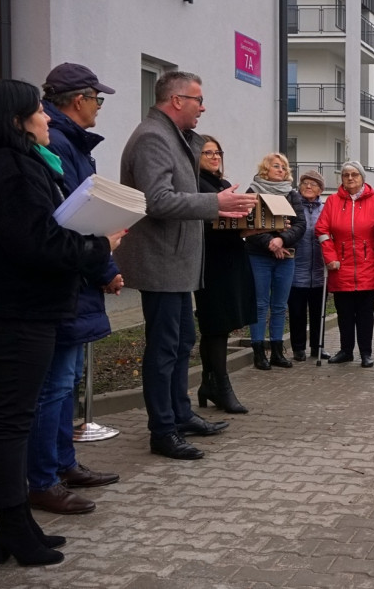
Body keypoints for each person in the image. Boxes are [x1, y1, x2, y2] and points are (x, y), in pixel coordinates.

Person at [0, 79, 123, 565]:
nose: (48, 118)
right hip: (10, 310)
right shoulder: (7, 170)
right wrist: (100, 246)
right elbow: (39, 245)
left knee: (15, 417)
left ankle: (18, 521)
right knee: (9, 421)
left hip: (17, 307)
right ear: (15, 121)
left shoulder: (16, 163)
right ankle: (10, 525)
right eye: (38, 112)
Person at [115, 70, 253, 461]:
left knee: (181, 343)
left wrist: (216, 200)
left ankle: (180, 414)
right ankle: (163, 430)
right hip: (161, 262)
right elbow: (156, 200)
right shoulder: (153, 138)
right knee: (163, 348)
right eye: (197, 100)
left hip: (177, 262)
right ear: (176, 100)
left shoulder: (173, 138)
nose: (202, 107)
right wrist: (216, 204)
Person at [26, 64, 121, 517]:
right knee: (55, 385)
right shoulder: (58, 143)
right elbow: (75, 219)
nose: (99, 106)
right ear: (77, 99)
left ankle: (62, 463)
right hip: (67, 279)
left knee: (64, 383)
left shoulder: (66, 140)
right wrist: (105, 265)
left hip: (76, 277)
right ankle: (44, 478)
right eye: (97, 99)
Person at [193, 136, 251, 414]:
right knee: (214, 326)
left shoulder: (224, 185)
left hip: (231, 259)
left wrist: (255, 228)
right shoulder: (196, 185)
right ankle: (220, 385)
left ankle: (208, 383)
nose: (215, 157)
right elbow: (203, 225)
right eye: (207, 153)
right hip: (210, 263)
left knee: (222, 327)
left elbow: (233, 224)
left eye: (218, 152)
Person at [315, 161, 374, 368]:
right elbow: (322, 230)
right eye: (346, 175)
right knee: (344, 313)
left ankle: (366, 352)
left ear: (362, 177)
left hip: (368, 266)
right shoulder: (333, 202)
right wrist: (329, 257)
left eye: (354, 174)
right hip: (341, 266)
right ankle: (346, 350)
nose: (350, 178)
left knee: (365, 314)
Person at [244, 153, 307, 370]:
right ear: (265, 169)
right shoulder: (253, 192)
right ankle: (259, 353)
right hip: (258, 256)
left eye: (283, 167)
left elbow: (300, 225)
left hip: (286, 257)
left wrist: (281, 240)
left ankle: (278, 352)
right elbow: (247, 224)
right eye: (276, 166)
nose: (281, 170)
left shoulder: (292, 194)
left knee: (280, 306)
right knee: (260, 305)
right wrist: (271, 243)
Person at [288, 170, 327, 362]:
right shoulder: (294, 208)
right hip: (296, 271)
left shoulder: (325, 209)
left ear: (320, 189)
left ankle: (317, 347)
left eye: (313, 184)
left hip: (320, 272)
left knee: (318, 313)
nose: (308, 187)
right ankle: (298, 347)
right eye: (305, 183)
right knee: (297, 312)